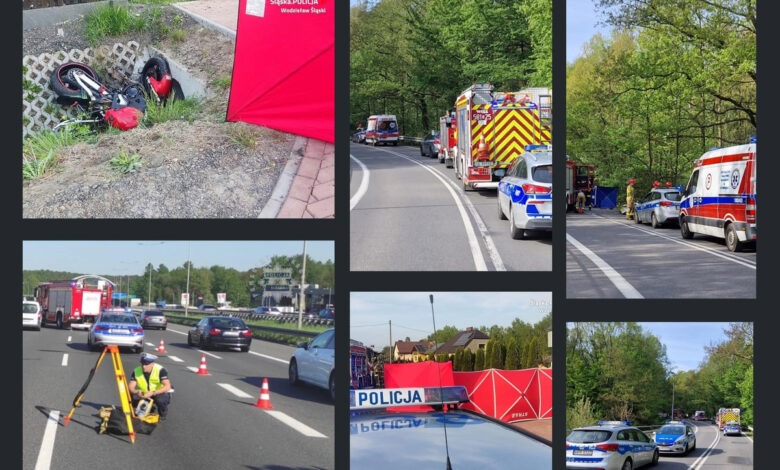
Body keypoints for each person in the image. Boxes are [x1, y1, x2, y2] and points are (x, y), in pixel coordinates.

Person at [128, 353, 172, 420]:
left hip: (158, 392)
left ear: (152, 364)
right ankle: (149, 408)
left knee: (161, 400)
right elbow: (131, 386)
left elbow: (167, 386)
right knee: (130, 397)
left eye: (146, 364)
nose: (144, 366)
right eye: (142, 364)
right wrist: (136, 391)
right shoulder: (136, 371)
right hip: (145, 393)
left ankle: (162, 414)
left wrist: (153, 392)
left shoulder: (160, 370)